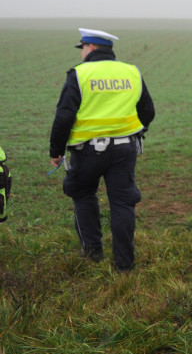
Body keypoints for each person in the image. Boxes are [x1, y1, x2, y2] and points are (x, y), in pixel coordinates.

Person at [49, 28, 155, 271]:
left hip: (87, 152)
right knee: (123, 203)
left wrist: (56, 150)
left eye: (82, 47)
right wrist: (135, 131)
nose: (82, 52)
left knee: (84, 195)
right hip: (125, 149)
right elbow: (148, 111)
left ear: (91, 47)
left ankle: (92, 252)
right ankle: (124, 266)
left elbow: (65, 115)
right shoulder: (131, 72)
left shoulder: (80, 73)